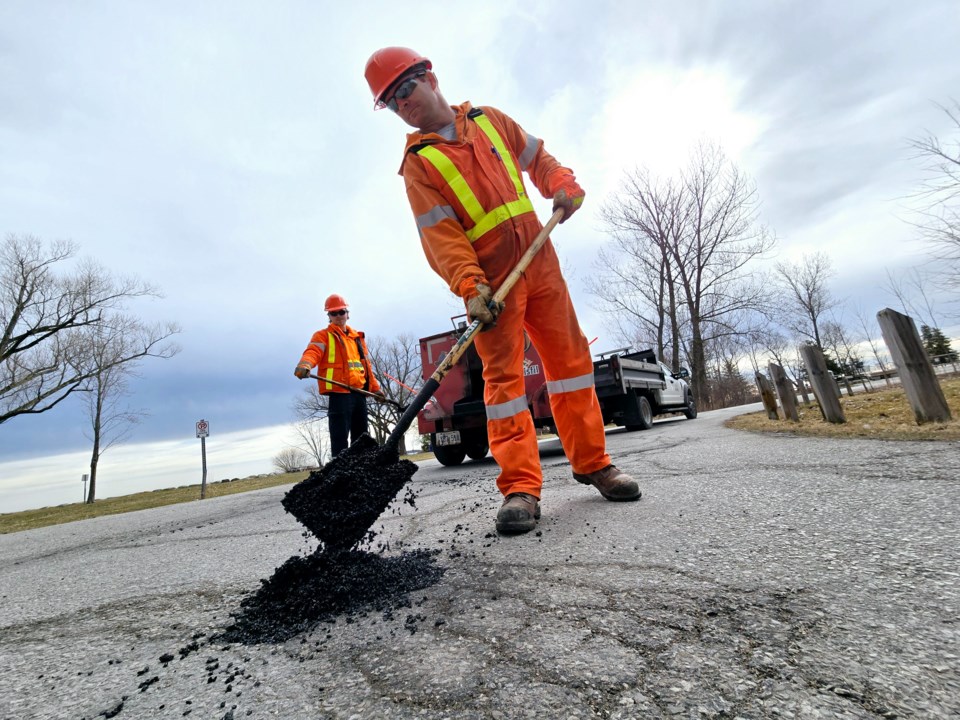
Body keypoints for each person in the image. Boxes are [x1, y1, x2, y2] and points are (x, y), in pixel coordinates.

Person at [364, 47, 641, 535]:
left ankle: (594, 463)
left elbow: (540, 159)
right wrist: (471, 288)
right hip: (492, 285)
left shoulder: (490, 120)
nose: (402, 105)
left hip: (541, 257)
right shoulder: (419, 165)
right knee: (505, 384)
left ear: (429, 77)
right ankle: (520, 488)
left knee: (571, 365)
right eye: (390, 102)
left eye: (405, 90)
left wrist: (562, 183)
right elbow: (441, 237)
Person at [294, 294, 384, 458]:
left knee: (361, 438)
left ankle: (360, 470)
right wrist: (305, 364)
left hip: (359, 393)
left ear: (347, 314)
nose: (338, 316)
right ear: (328, 316)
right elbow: (312, 352)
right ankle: (340, 472)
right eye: (333, 313)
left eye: (341, 312)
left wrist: (375, 389)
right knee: (340, 439)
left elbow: (366, 365)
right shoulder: (323, 336)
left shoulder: (356, 338)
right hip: (339, 393)